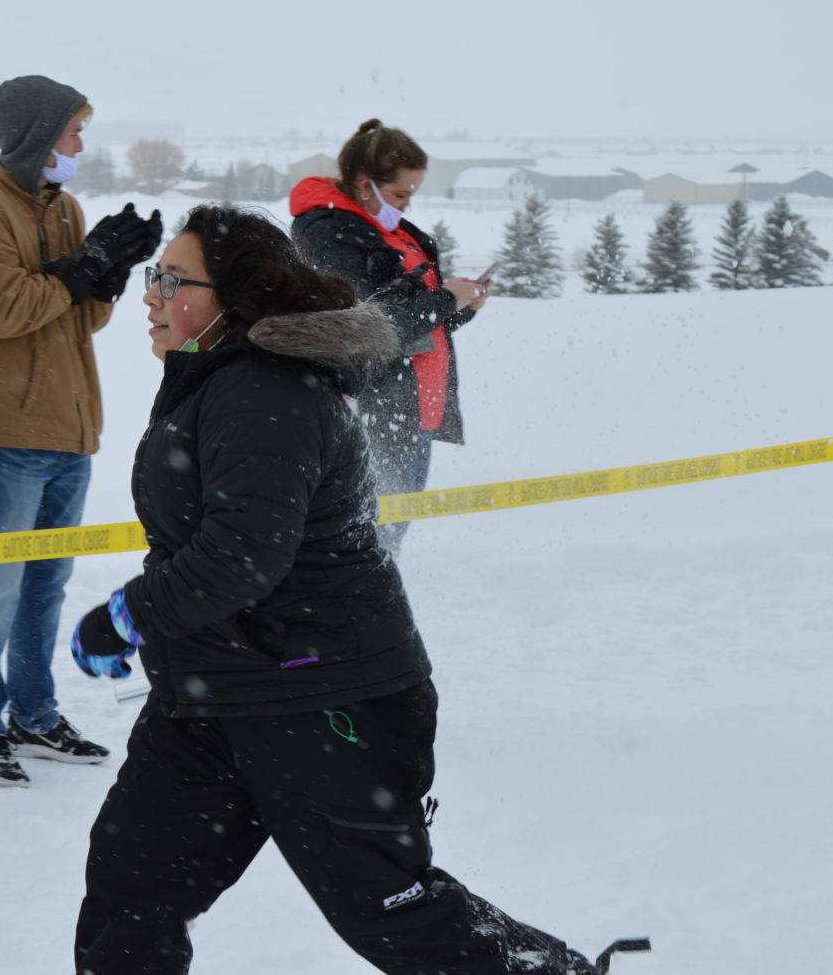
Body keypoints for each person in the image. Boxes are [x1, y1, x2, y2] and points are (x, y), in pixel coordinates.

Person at [68, 204, 647, 974]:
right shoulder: (217, 378)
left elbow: (242, 556)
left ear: (232, 298)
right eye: (154, 275)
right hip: (216, 692)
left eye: (172, 280)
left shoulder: (264, 391)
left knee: (388, 910)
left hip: (321, 693)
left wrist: (126, 616)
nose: (151, 293)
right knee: (132, 885)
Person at [0, 75, 161, 787]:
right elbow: (8, 310)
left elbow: (80, 315)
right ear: (38, 135)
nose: (80, 146)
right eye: (73, 131)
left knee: (46, 584)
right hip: (11, 427)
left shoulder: (65, 207)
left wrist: (111, 272)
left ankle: (34, 715)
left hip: (71, 426)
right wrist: (83, 268)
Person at [290, 119, 488, 556]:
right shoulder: (331, 234)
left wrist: (461, 307)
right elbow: (364, 327)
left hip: (413, 408)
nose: (407, 204)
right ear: (366, 186)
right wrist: (443, 300)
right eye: (400, 194)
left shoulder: (396, 234)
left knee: (388, 537)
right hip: (372, 409)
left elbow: (416, 323)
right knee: (364, 544)